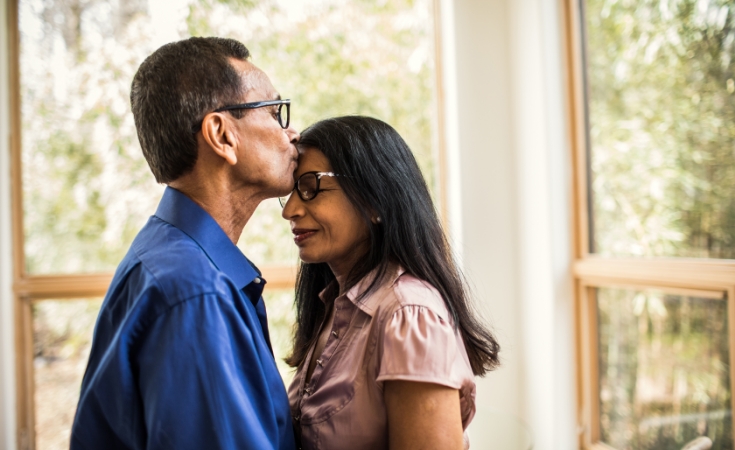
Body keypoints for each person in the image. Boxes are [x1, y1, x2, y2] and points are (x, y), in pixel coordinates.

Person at [71, 37, 300, 449]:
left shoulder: (172, 261)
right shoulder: (194, 290)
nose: (291, 132)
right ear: (221, 135)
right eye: (274, 112)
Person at [280, 116, 501, 450]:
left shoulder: (409, 316)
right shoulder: (334, 306)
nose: (291, 210)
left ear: (373, 201)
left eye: (311, 188)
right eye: (292, 191)